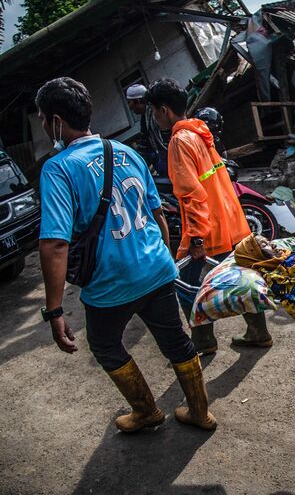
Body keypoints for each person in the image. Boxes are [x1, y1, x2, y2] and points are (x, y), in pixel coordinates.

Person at [36, 77, 216, 433]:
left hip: (110, 283)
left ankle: (146, 411)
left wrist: (54, 310)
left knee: (104, 345)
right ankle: (200, 412)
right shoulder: (126, 151)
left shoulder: (57, 169)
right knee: (176, 342)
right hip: (155, 268)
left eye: (43, 118)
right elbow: (158, 214)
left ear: (56, 121)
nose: (43, 125)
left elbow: (55, 243)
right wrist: (161, 259)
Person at [145, 77, 271, 354]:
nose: (154, 118)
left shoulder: (179, 141)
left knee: (185, 285)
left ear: (164, 110)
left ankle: (203, 341)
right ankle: (258, 330)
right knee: (240, 275)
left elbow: (192, 195)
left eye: (154, 111)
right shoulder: (201, 133)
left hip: (207, 228)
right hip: (230, 220)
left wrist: (197, 239)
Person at [125, 83, 169, 175]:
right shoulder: (145, 117)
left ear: (137, 101)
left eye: (130, 103)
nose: (130, 108)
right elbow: (144, 141)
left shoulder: (155, 114)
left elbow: (165, 138)